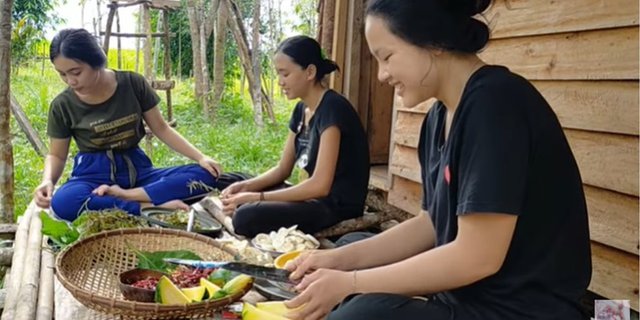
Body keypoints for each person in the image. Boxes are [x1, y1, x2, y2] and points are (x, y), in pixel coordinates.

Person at [283, 1, 592, 319]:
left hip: (518, 311)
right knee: (352, 247)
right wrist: (337, 262)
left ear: (433, 41)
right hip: (464, 298)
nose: (382, 75)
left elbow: (478, 257)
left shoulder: (496, 105)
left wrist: (351, 283)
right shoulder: (438, 118)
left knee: (361, 312)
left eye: (386, 57)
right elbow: (431, 224)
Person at [34, 28, 224, 222]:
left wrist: (201, 157)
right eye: (62, 74)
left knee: (206, 175)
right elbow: (57, 155)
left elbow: (161, 128)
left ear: (96, 61)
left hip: (138, 172)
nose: (71, 81)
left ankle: (125, 197)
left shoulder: (133, 83)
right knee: (64, 202)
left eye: (76, 72)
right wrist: (48, 181)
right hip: (92, 176)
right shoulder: (62, 105)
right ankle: (148, 206)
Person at [220, 35, 370, 238]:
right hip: (311, 196)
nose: (280, 82)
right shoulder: (302, 109)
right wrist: (246, 187)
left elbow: (320, 186)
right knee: (233, 180)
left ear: (310, 72)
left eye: (285, 74)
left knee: (245, 216)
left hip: (333, 206)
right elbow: (283, 169)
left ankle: (247, 204)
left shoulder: (333, 109)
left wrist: (256, 197)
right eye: (278, 74)